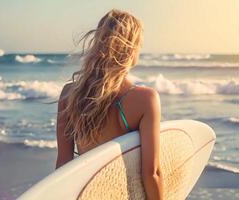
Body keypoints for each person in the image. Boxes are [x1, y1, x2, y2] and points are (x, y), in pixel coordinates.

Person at [55, 9, 163, 200]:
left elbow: (64, 166)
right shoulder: (145, 99)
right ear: (132, 47)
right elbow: (152, 173)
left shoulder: (69, 94)